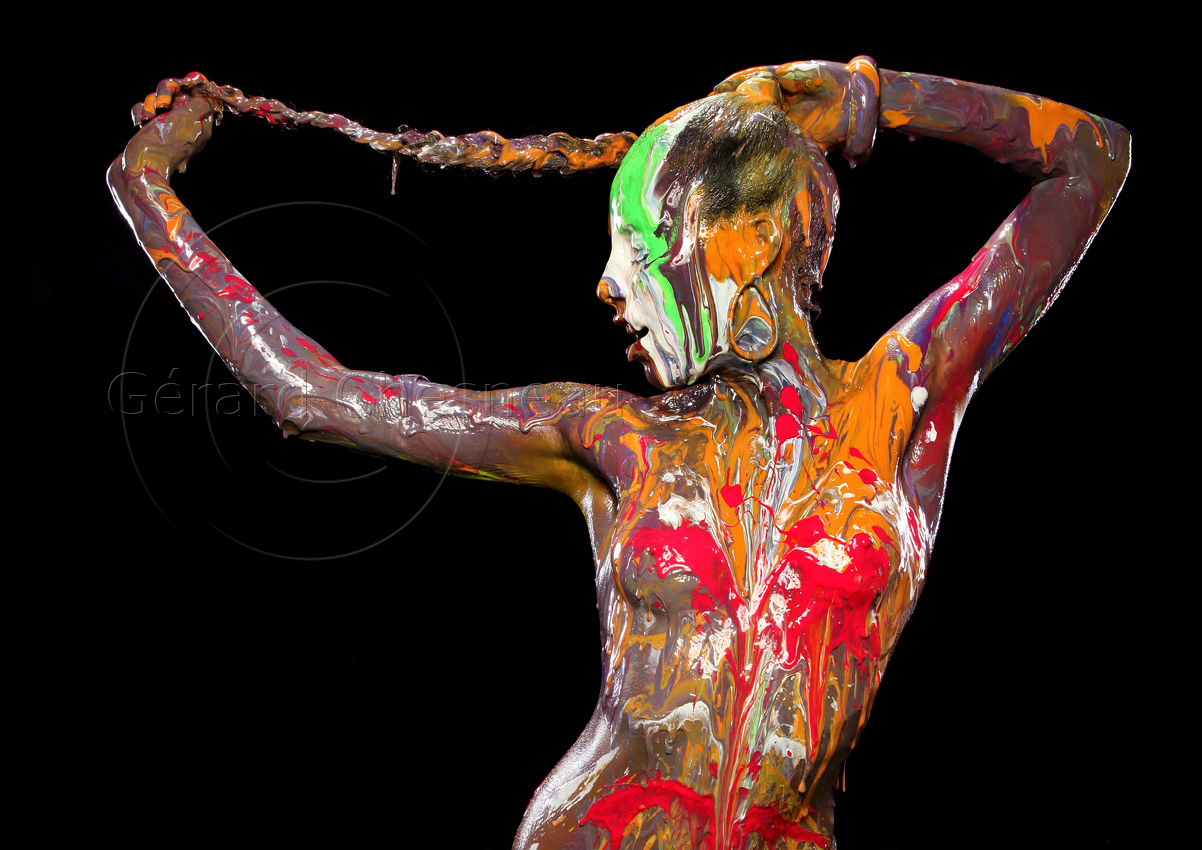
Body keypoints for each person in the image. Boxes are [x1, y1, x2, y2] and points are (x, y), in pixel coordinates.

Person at [108, 58, 1130, 850]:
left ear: (746, 240)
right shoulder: (611, 439)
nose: (605, 284)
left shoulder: (902, 401)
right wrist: (146, 188)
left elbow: (1094, 157)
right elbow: (311, 398)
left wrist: (866, 98)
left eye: (635, 248)